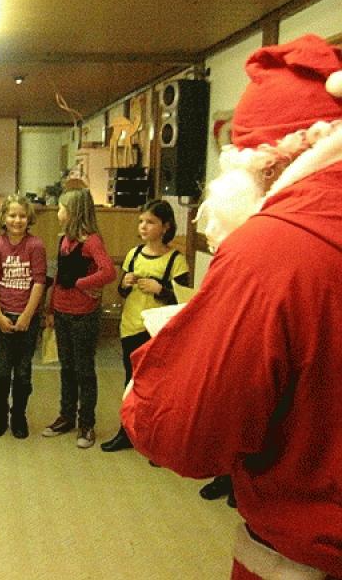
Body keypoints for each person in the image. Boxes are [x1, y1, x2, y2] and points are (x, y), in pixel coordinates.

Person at [121, 34, 342, 579]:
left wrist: (152, 378)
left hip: (308, 548)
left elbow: (187, 435)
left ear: (267, 163)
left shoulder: (272, 247)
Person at [100, 199, 188, 452]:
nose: (143, 226)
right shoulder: (134, 254)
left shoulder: (176, 260)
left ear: (166, 226)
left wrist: (160, 289)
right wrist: (125, 283)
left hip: (158, 331)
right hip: (130, 326)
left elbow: (183, 299)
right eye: (141, 221)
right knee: (131, 381)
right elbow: (121, 292)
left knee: (158, 385)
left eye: (150, 222)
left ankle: (157, 438)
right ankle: (127, 432)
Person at [43, 188, 116, 447]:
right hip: (62, 312)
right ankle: (66, 416)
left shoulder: (92, 241)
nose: (58, 212)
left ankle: (87, 424)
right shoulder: (63, 240)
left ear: (73, 212)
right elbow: (59, 277)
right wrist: (50, 309)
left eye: (62, 208)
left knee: (84, 370)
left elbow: (108, 272)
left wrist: (82, 283)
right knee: (67, 368)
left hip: (84, 315)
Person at [0, 194, 46, 438]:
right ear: (3, 218)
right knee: (1, 371)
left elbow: (39, 282)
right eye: (12, 215)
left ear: (28, 218)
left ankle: (18, 415)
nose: (17, 220)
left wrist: (27, 315)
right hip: (3, 316)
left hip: (27, 318)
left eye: (22, 216)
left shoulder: (36, 245)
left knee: (22, 372)